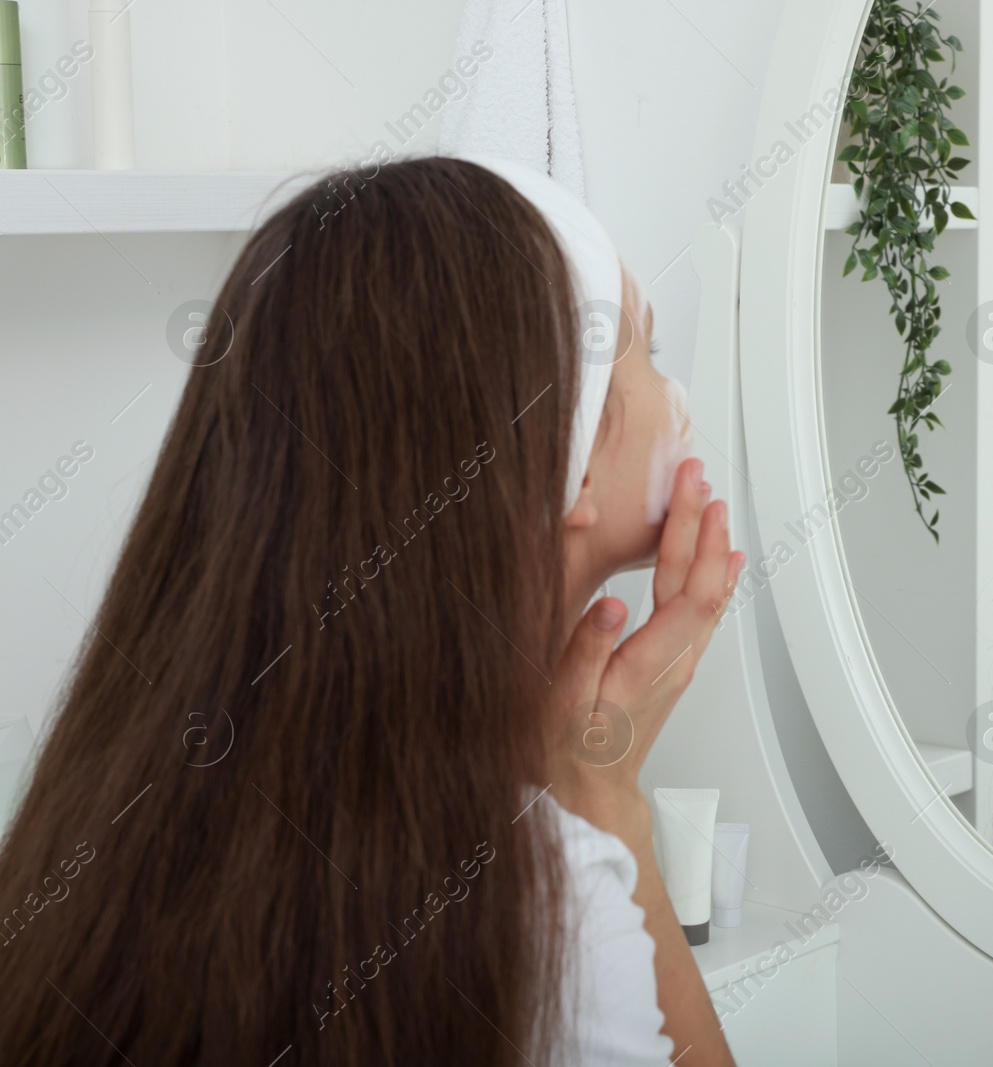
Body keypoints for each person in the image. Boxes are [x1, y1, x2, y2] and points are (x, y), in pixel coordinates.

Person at [0, 154, 743, 1066]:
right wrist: (604, 802)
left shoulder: (102, 834)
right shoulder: (547, 907)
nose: (675, 393)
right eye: (648, 353)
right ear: (579, 459)